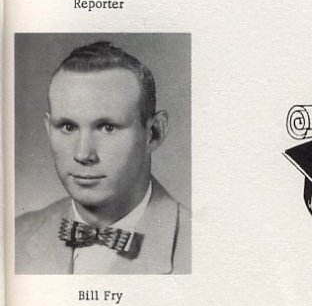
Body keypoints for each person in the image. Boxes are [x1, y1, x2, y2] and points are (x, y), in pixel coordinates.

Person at [16, 40, 191, 274]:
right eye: (68, 127)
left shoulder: (206, 248)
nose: (83, 154)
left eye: (107, 127)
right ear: (48, 129)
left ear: (154, 133)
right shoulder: (13, 237)